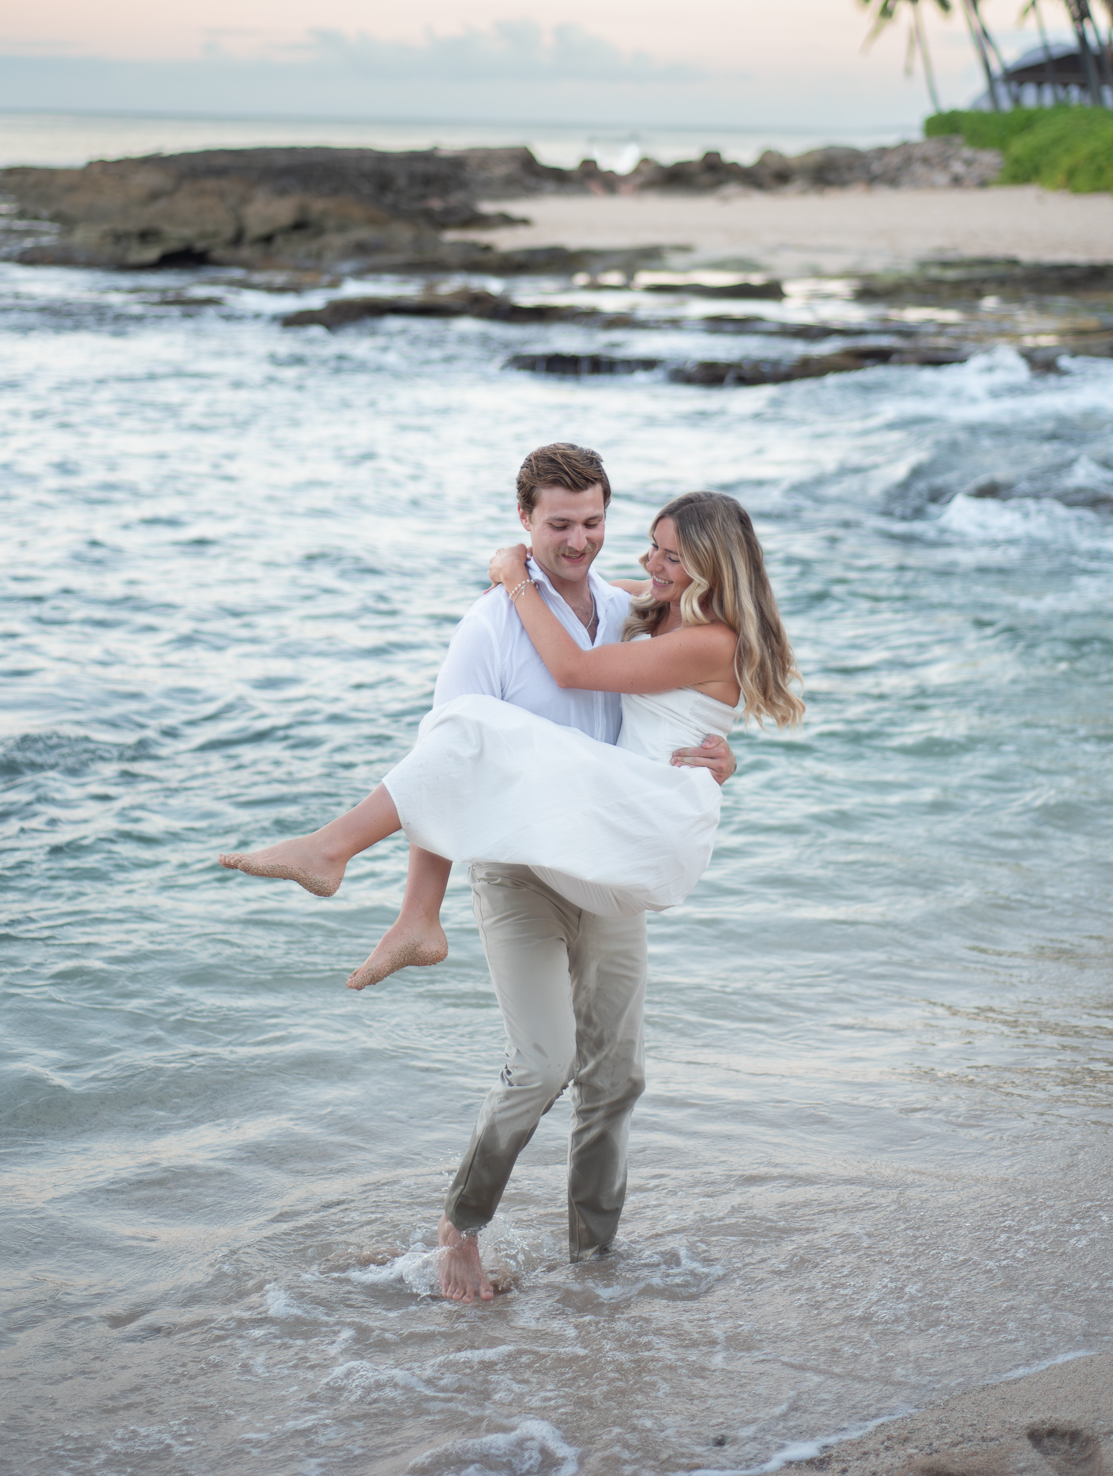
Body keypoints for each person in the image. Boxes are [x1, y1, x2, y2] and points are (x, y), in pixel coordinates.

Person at [220, 445, 801, 1302]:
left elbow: (646, 689)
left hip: (613, 847)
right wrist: (425, 905)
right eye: (559, 525)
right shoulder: (503, 621)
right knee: (541, 1060)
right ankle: (462, 1226)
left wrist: (718, 760)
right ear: (524, 522)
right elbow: (446, 769)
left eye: (597, 525)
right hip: (529, 862)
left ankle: (596, 1268)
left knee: (616, 1076)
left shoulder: (626, 612)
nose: (592, 544)